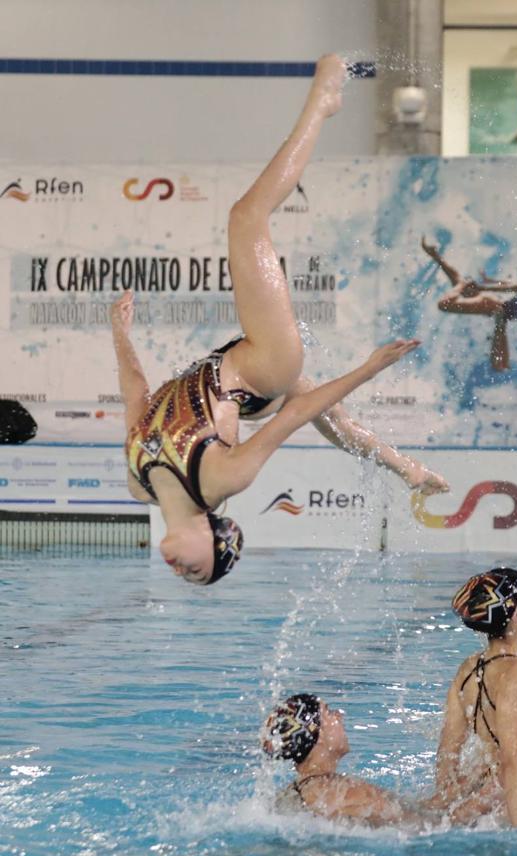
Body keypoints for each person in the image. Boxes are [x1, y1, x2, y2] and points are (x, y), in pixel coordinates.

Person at [111, 55, 449, 584]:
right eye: (201, 572)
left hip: (240, 379)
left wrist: (120, 334)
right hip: (263, 368)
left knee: (317, 410)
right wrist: (367, 368)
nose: (182, 570)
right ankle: (323, 101)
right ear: (216, 538)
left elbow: (135, 391)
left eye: (184, 578)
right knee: (247, 218)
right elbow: (294, 417)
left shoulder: (138, 483)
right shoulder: (224, 480)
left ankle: (405, 468)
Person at [434, 567, 517, 828]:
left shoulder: (468, 670)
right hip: (515, 813)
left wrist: (449, 806)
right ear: (515, 612)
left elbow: (447, 759)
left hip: (481, 806)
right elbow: (513, 764)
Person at [262, 693, 432, 828]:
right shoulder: (342, 790)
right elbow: (426, 823)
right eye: (329, 712)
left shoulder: (293, 792)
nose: (339, 715)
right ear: (317, 735)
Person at [420, 237, 517, 371]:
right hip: (494, 306)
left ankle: (435, 255)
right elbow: (509, 288)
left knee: (457, 282)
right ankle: (459, 283)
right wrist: (483, 288)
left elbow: (508, 284)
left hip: (499, 311)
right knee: (444, 304)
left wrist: (489, 280)